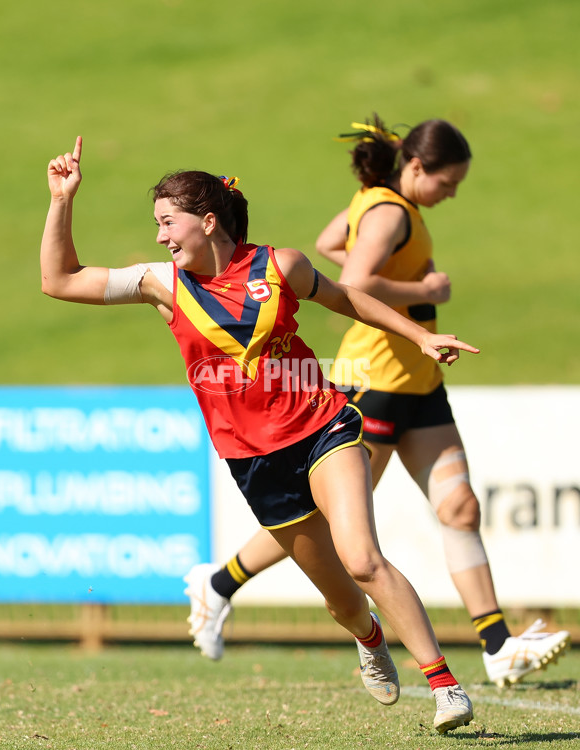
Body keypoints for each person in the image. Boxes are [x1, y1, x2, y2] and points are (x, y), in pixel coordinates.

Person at [41, 136, 481, 734]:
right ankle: (370, 638)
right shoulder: (160, 284)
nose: (161, 236)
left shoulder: (281, 266)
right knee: (344, 604)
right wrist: (62, 199)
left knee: (362, 558)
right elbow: (59, 280)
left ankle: (446, 686)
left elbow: (349, 297)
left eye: (168, 222)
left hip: (323, 426)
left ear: (209, 220)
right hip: (254, 461)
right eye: (158, 226)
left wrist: (422, 336)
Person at [183, 115, 571, 688]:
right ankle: (219, 584)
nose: (452, 193)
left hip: (418, 382)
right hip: (376, 377)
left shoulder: (378, 203)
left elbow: (328, 242)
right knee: (331, 526)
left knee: (459, 506)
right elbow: (358, 274)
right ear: (416, 167)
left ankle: (496, 646)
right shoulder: (390, 211)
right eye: (448, 182)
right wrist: (425, 292)